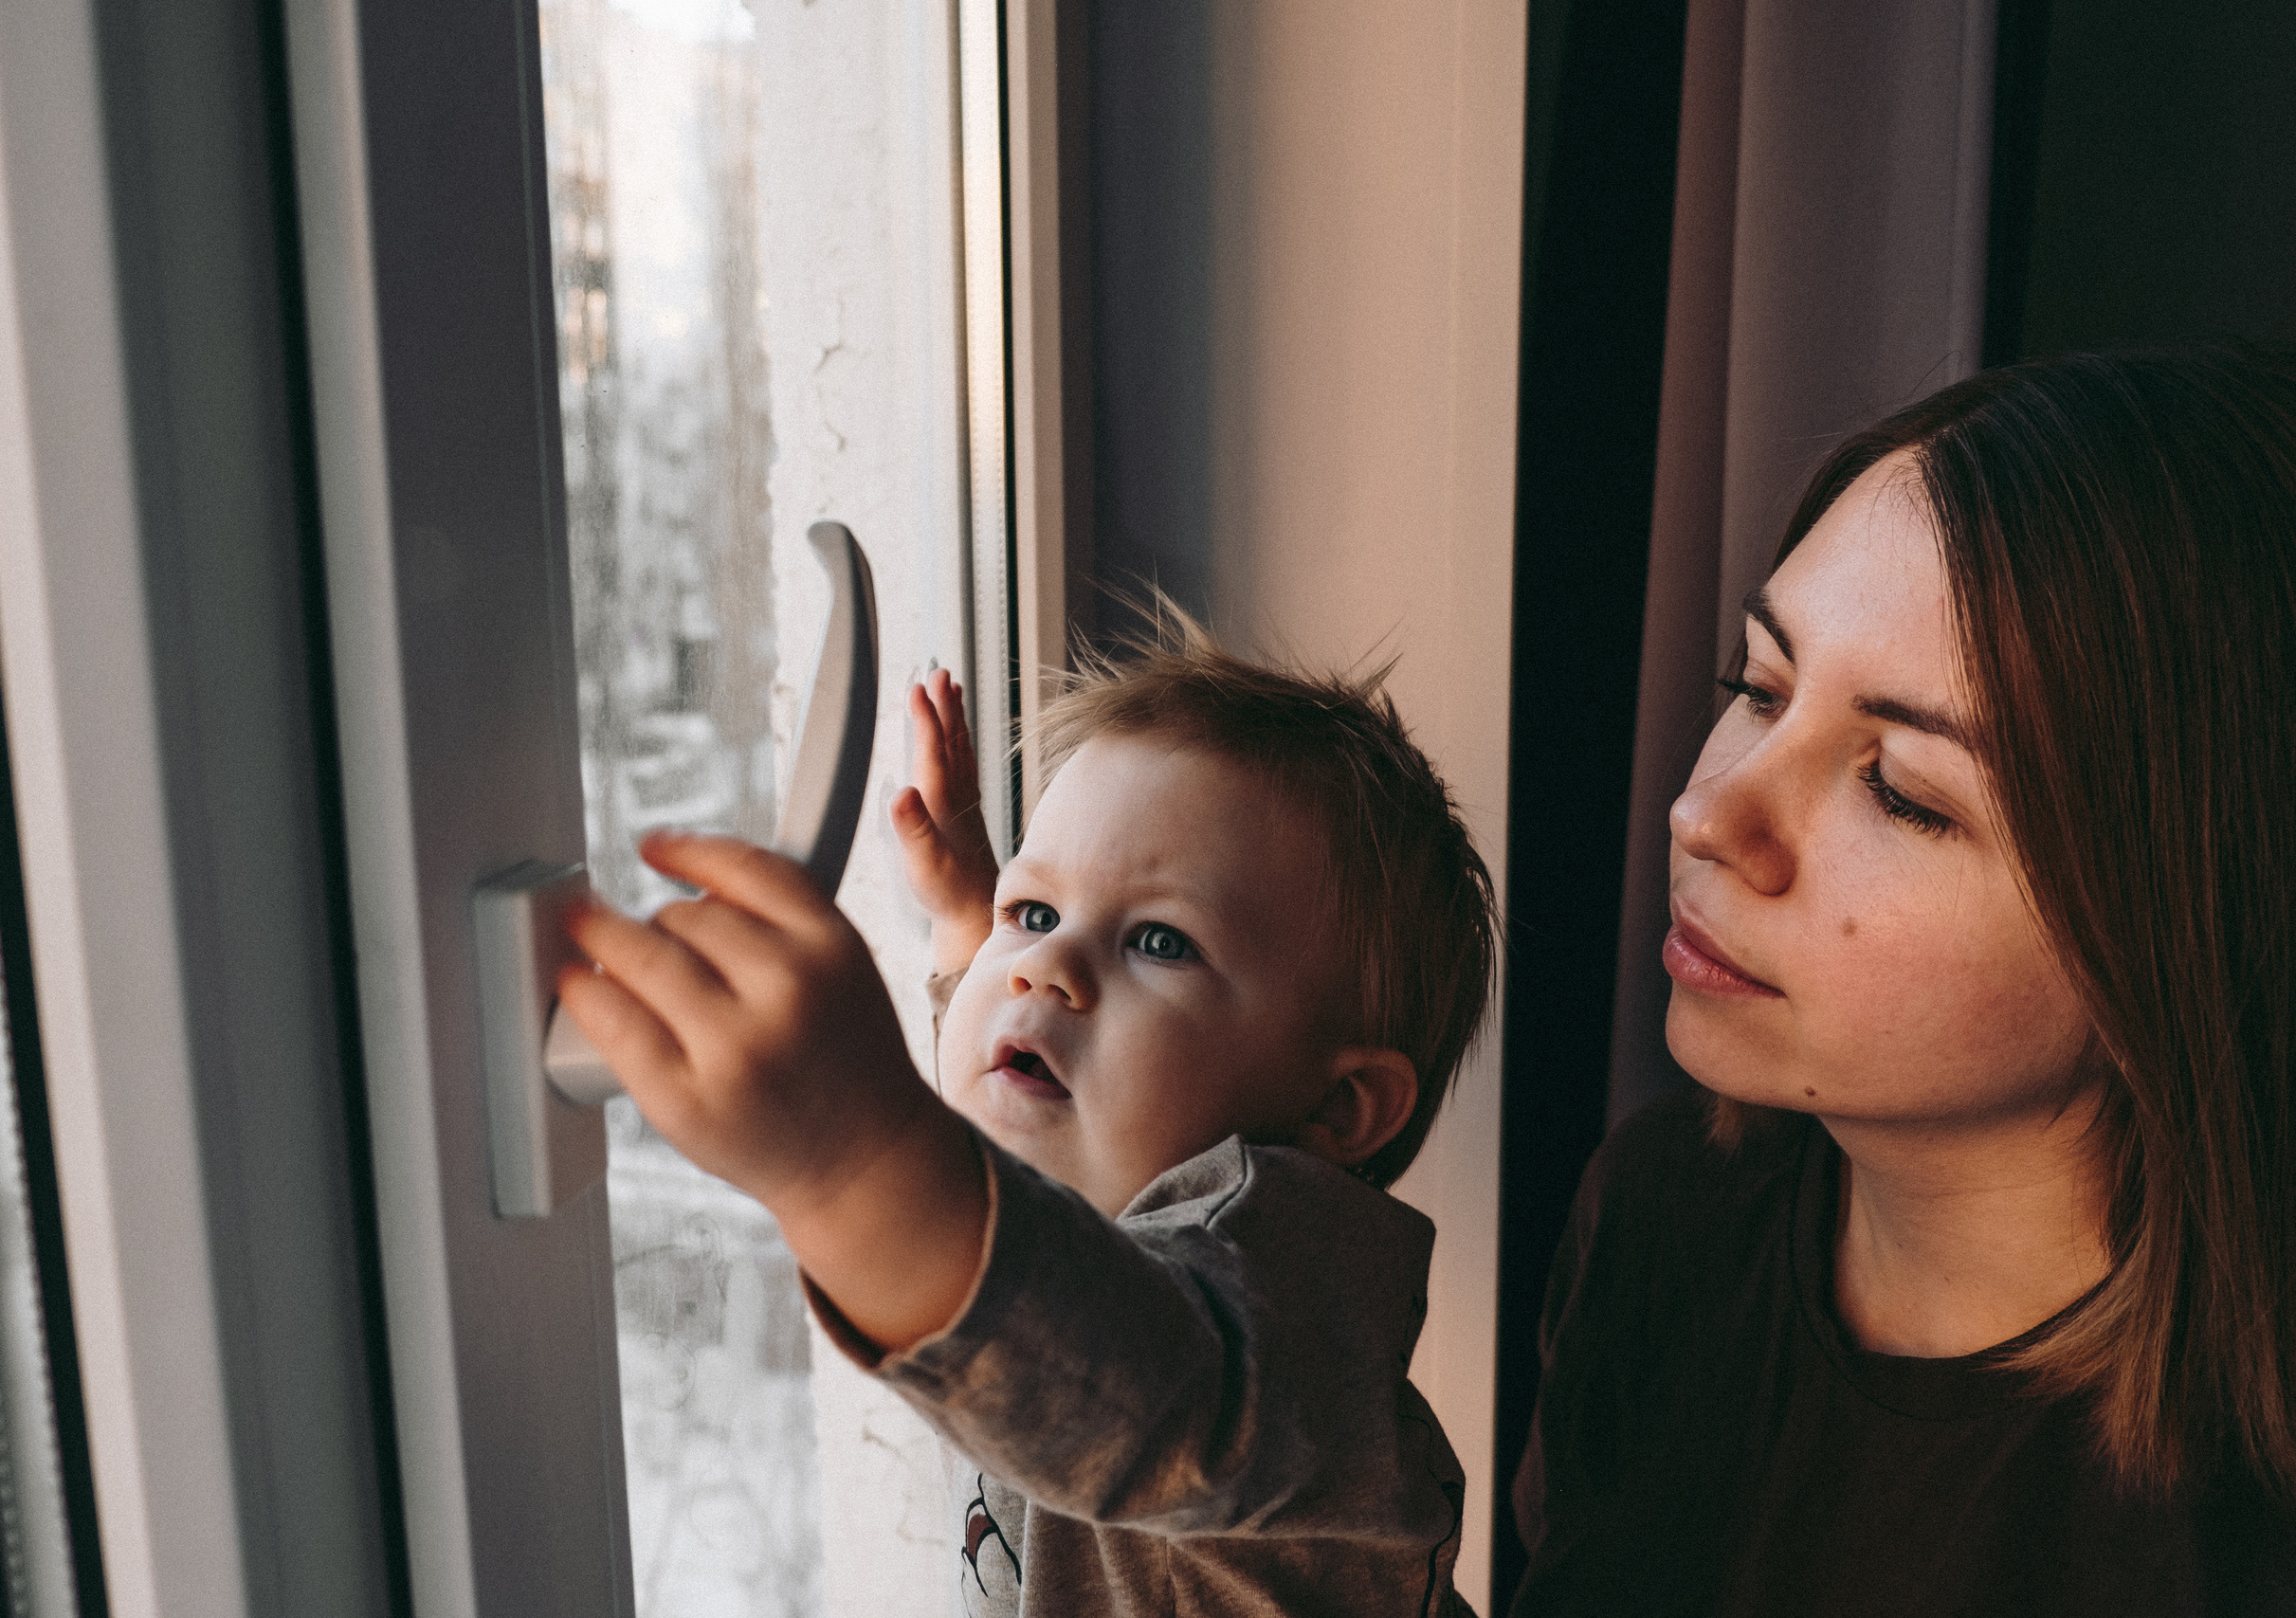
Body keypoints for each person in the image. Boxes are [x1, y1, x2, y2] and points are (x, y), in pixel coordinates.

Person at [1513, 344, 2296, 1616]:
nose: (1710, 812)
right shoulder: (1664, 1215)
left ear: (2184, 926)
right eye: (1758, 687)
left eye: (1903, 793)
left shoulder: (2239, 1529)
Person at [561, 622, 1497, 1617]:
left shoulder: (1284, 1305)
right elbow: (1027, 1107)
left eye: (1158, 940)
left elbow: (1129, 1392)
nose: (1040, 968)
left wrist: (844, 1164)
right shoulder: (1113, 1169)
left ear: (1337, 1108)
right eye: (1038, 913)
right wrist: (974, 918)